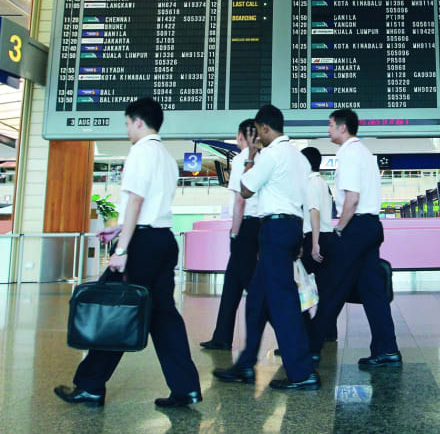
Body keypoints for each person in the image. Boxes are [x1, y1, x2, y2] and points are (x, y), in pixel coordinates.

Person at [54, 97, 201, 408]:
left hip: (143, 245)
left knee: (115, 310)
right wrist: (120, 228)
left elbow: (136, 200)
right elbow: (148, 204)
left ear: (138, 121)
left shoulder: (140, 152)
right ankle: (185, 387)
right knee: (164, 318)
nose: (127, 130)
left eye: (127, 123)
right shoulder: (163, 154)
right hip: (163, 240)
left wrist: (121, 248)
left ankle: (90, 385)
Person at [213, 105, 319, 390]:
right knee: (257, 299)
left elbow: (246, 189)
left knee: (283, 303)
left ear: (264, 128)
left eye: (259, 131)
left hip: (274, 229)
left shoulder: (270, 155)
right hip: (292, 227)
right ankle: (246, 364)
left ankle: (302, 372)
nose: (257, 137)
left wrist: (250, 156)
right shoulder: (299, 158)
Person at [308, 109, 402, 366]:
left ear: (342, 128)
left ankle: (311, 347)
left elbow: (352, 198)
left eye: (330, 125)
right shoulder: (365, 153)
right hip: (371, 227)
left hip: (357, 228)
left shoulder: (348, 154)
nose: (328, 130)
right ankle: (387, 349)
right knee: (373, 291)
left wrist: (340, 228)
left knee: (334, 286)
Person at [201, 118, 260, 350]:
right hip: (260, 226)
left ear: (240, 137)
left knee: (255, 288)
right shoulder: (265, 159)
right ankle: (222, 336)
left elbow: (239, 200)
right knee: (232, 283)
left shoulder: (240, 160)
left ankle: (292, 335)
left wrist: (234, 233)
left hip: (244, 228)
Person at [300, 146, 338, 341]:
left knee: (297, 285)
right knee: (325, 288)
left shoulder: (309, 184)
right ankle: (328, 332)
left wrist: (314, 244)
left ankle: (303, 334)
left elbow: (313, 212)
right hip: (327, 237)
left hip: (315, 238)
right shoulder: (323, 183)